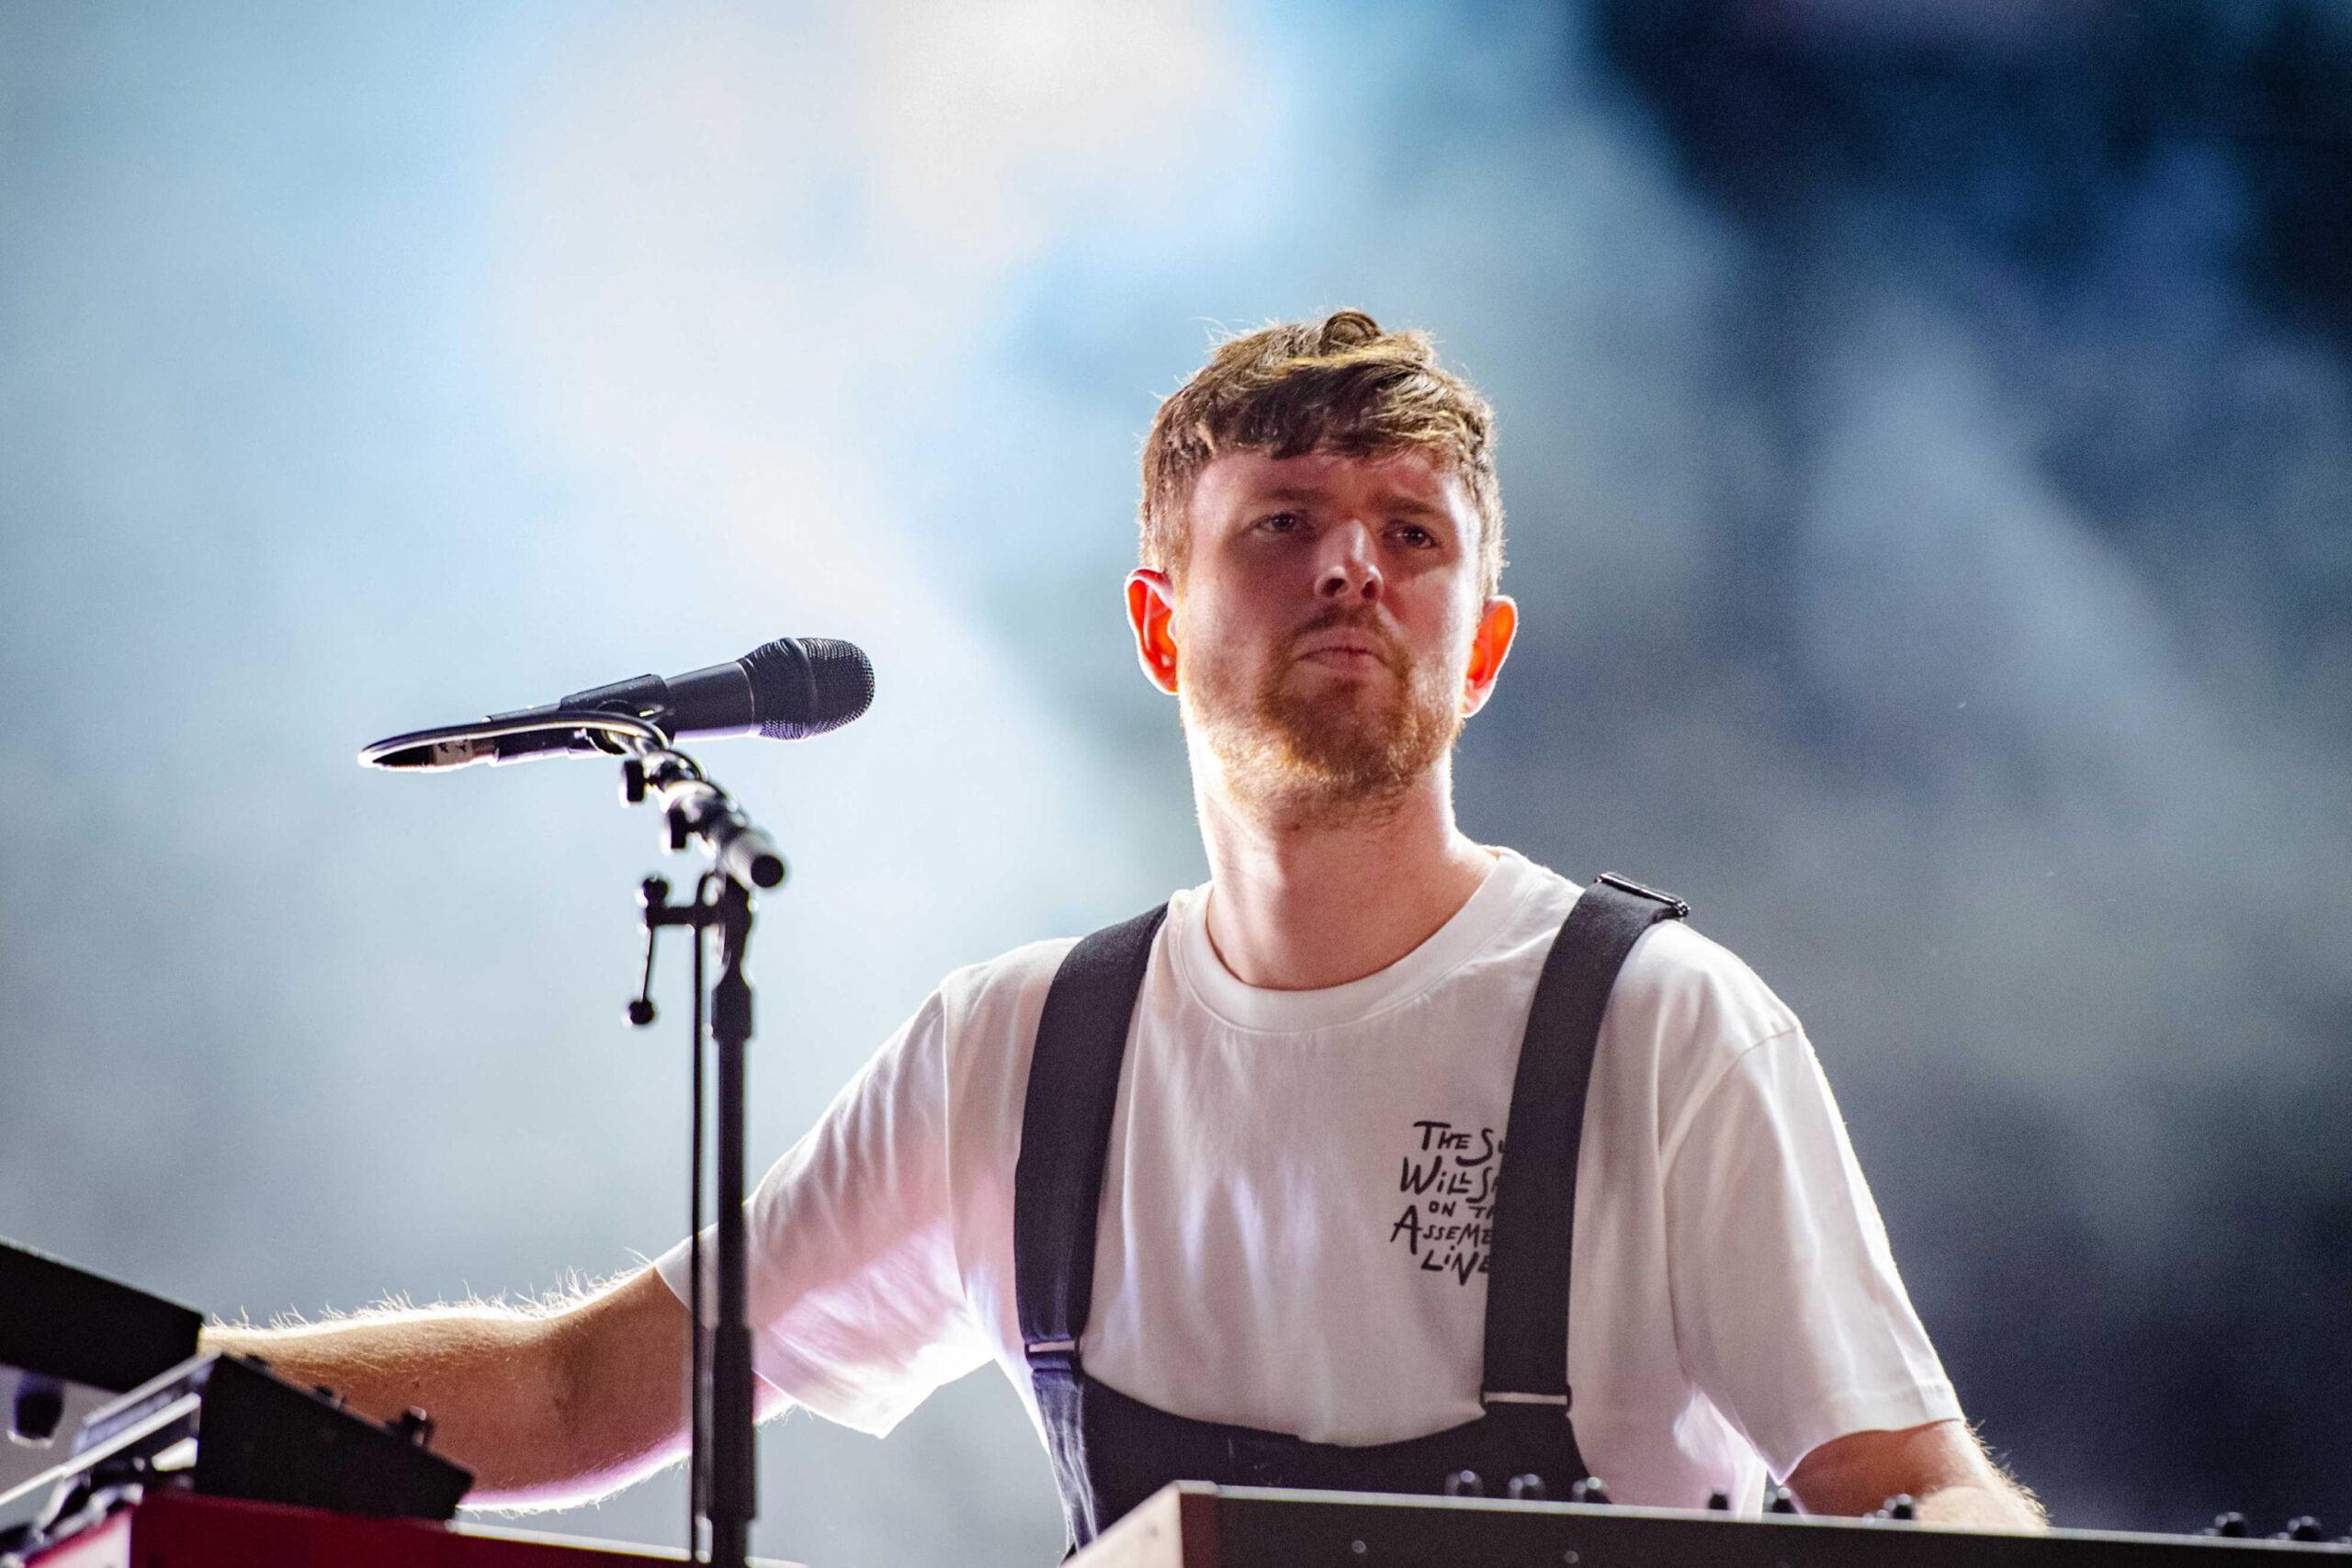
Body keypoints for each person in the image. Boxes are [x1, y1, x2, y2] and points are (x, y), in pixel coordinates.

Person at [207, 311, 2045, 1545]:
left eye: (1413, 536)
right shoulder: (1015, 1051)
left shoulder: (1660, 1027)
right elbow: (577, 1381)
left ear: (1478, 648)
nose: (1351, 568)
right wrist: (119, 1402)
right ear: (1159, 624)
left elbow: (1910, 1488)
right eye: (1286, 522)